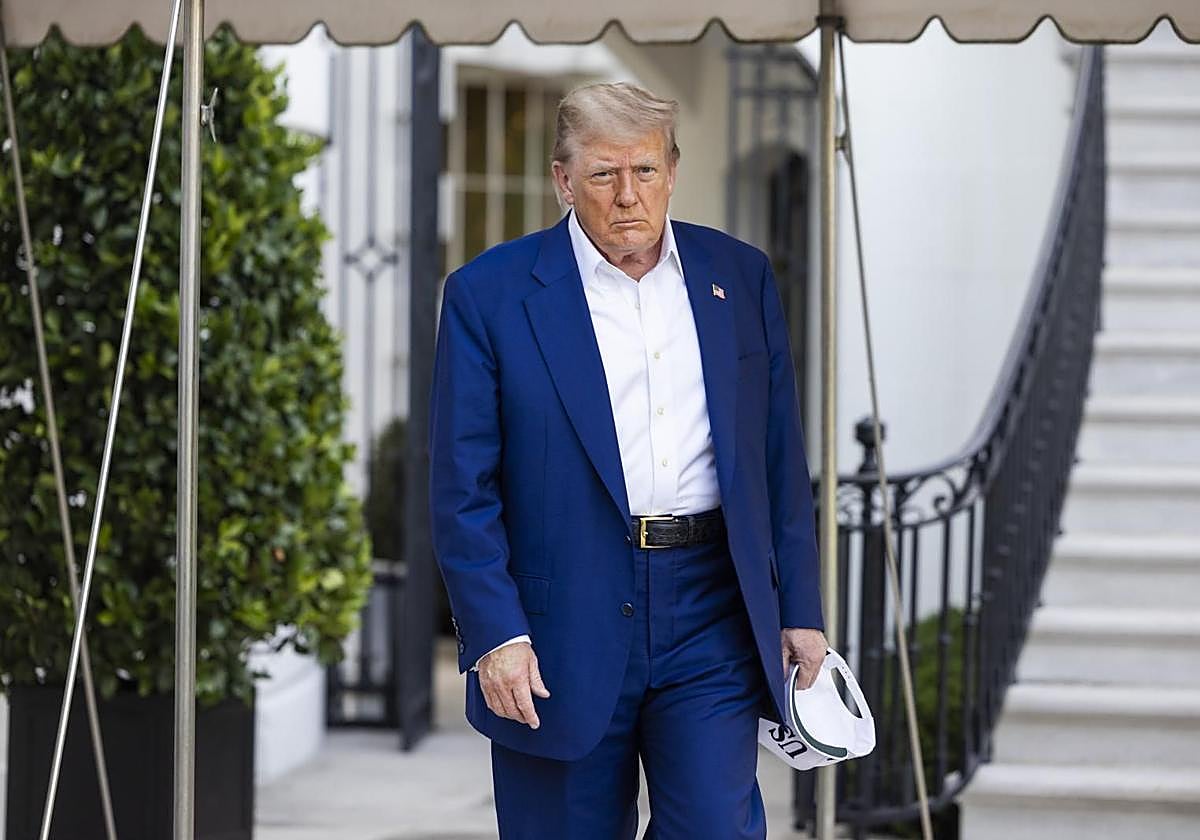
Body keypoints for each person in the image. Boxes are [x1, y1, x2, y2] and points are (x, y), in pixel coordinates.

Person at [429, 81, 827, 839]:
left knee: (716, 827)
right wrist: (496, 634)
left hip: (711, 604)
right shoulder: (488, 294)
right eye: (604, 174)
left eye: (644, 171)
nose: (627, 195)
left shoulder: (739, 276)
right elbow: (462, 488)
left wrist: (800, 610)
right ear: (563, 180)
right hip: (557, 621)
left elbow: (778, 458)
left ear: (672, 171)